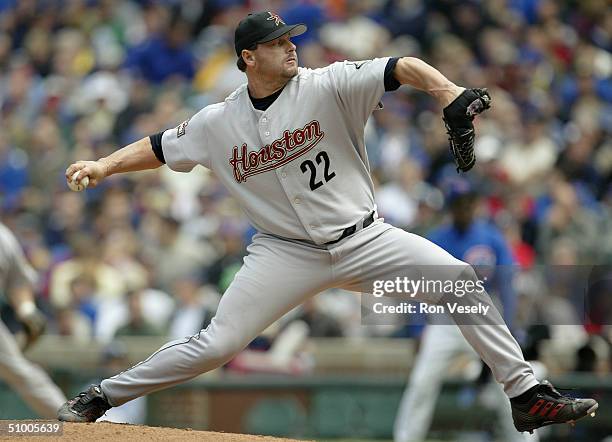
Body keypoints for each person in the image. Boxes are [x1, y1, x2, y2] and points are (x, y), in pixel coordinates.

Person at [57, 11, 597, 435]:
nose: (291, 45)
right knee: (218, 345)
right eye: (276, 42)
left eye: (290, 37)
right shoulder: (218, 122)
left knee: (456, 281)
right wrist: (104, 164)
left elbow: (401, 66)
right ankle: (104, 395)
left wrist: (448, 92)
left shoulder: (327, 83)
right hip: (284, 254)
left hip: (366, 240)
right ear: (248, 57)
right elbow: (157, 147)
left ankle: (526, 396)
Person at [393, 180, 539, 442]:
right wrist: (417, 328)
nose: (464, 207)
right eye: (458, 203)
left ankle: (525, 440)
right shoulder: (437, 239)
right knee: (421, 383)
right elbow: (416, 286)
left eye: (467, 201)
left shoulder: (491, 237)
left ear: (474, 203)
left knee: (507, 380)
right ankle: (406, 438)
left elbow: (507, 284)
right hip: (445, 322)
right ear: (451, 207)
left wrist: (509, 326)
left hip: (482, 316)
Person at [0, 221, 67, 418]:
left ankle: (74, 425)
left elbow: (18, 281)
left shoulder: (3, 238)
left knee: (22, 373)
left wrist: (27, 310)